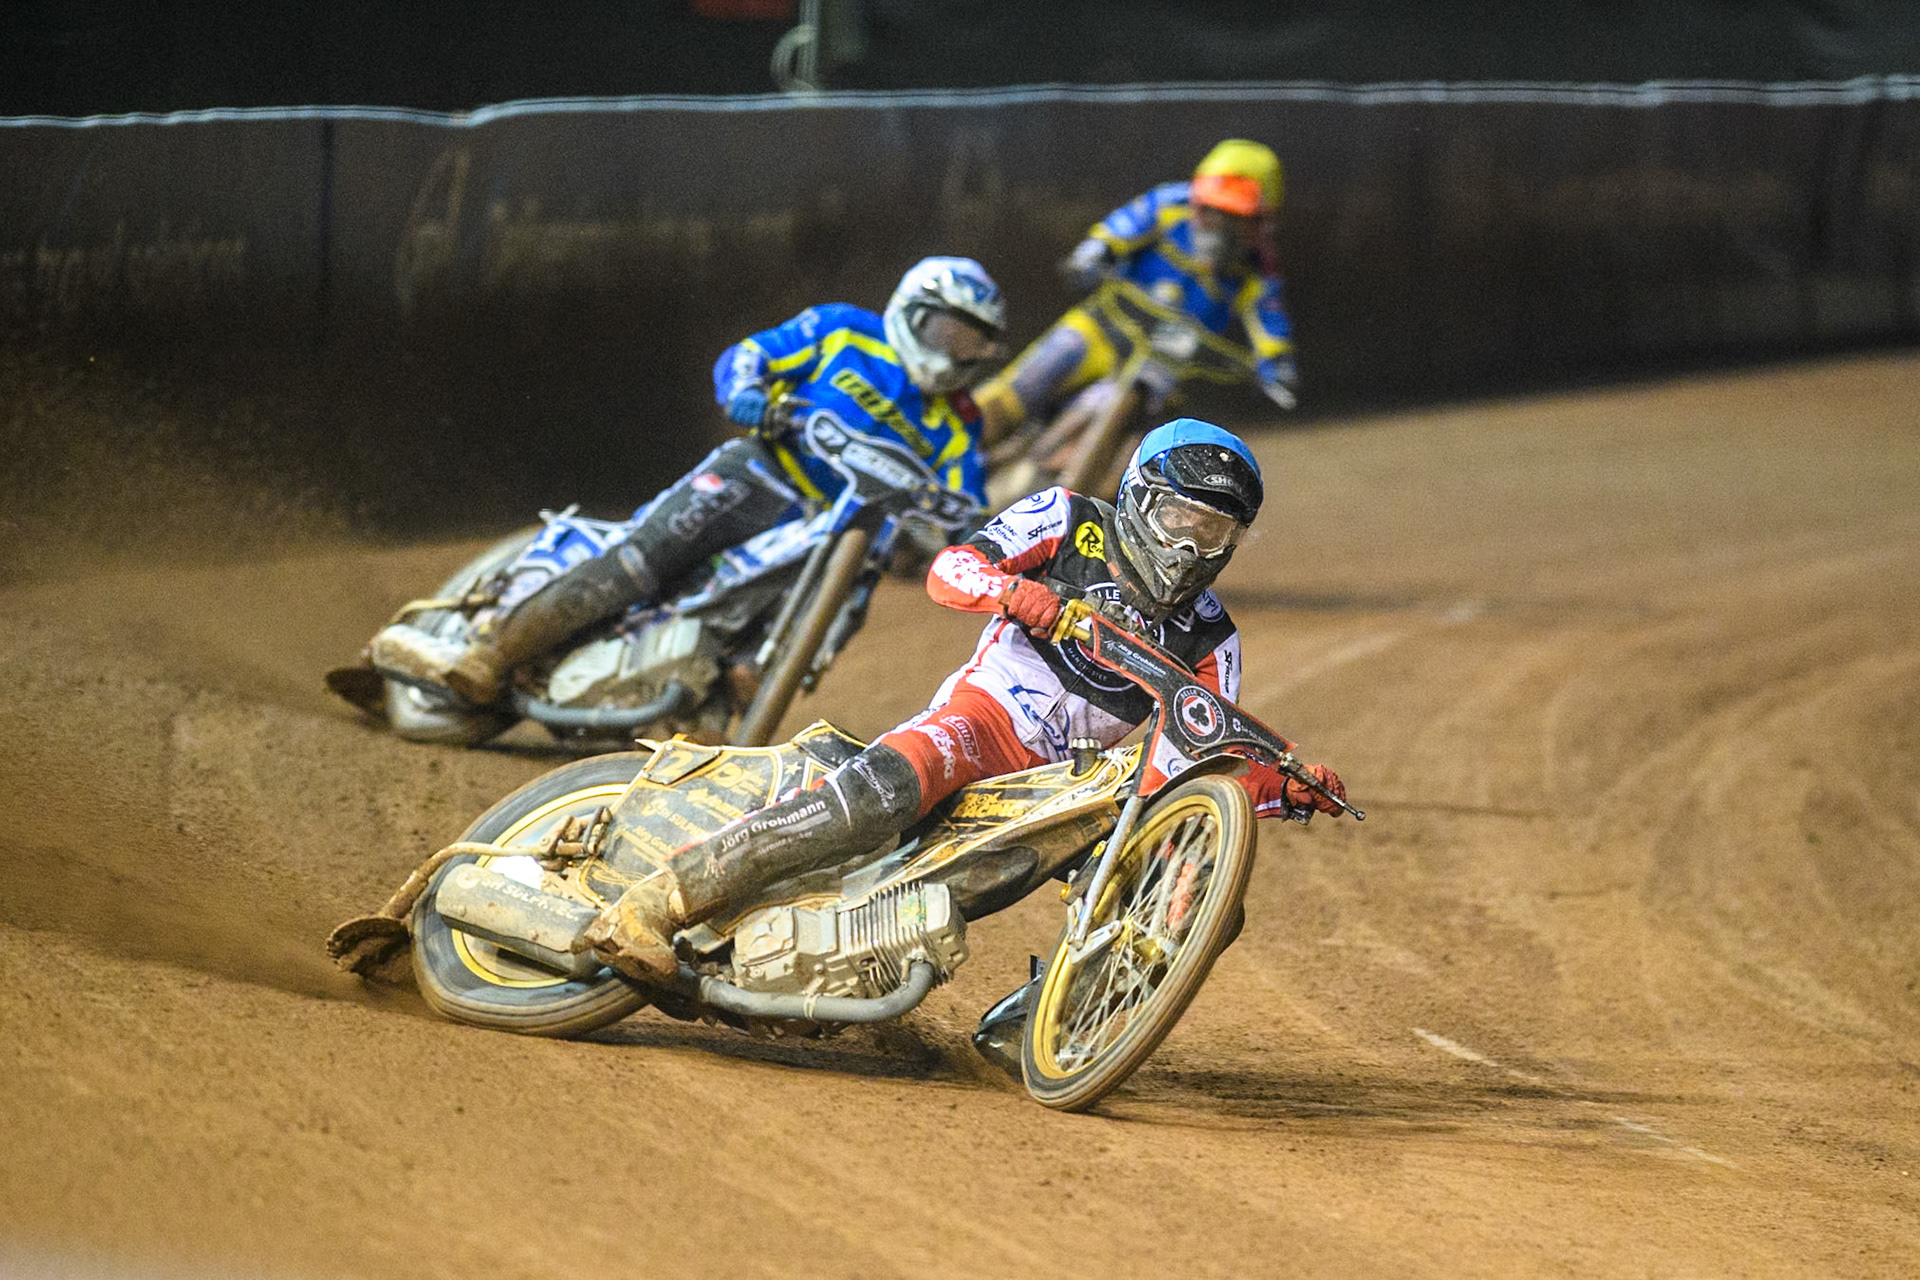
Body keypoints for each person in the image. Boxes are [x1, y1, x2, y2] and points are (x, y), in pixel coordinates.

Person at [582, 417, 1348, 987]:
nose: (1189, 547)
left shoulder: (1213, 638)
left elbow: (1198, 762)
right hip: (987, 721)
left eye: (1213, 534)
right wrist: (1026, 598)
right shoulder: (1067, 520)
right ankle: (656, 903)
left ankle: (1046, 1025)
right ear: (1139, 500)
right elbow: (952, 570)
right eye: (1180, 520)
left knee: (1198, 897)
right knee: (886, 790)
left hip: (1071, 788)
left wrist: (1278, 784)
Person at [369, 256, 1009, 706]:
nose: (956, 354)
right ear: (912, 309)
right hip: (764, 473)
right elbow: (751, 355)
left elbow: (965, 499)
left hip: (843, 537)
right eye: (949, 332)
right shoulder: (843, 328)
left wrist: (968, 538)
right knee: (644, 559)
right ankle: (489, 655)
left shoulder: (960, 421)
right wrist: (749, 396)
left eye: (973, 345)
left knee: (833, 615)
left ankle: (726, 702)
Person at [971, 139, 1298, 448]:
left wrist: (1276, 368)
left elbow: (1270, 322)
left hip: (1163, 363)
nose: (1218, 227)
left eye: (1234, 219)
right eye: (1211, 212)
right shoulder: (1170, 204)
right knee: (1030, 380)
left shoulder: (1259, 270)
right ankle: (954, 440)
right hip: (1102, 326)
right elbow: (1123, 226)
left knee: (1147, 441)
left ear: (1260, 222)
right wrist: (1096, 252)